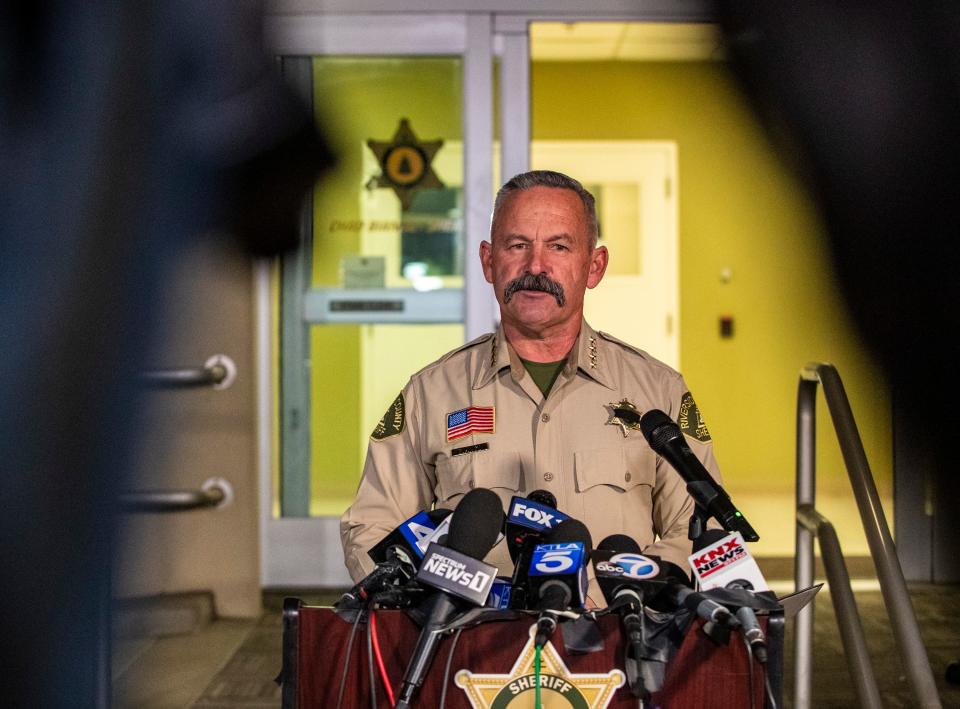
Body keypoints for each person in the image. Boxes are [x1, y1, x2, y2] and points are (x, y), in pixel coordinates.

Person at [340, 170, 723, 598]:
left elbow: (700, 526)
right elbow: (372, 525)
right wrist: (414, 604)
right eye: (517, 245)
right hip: (468, 644)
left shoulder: (659, 391)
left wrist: (639, 597)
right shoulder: (431, 393)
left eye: (558, 246)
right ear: (489, 262)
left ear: (594, 267)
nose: (535, 266)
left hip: (615, 644)